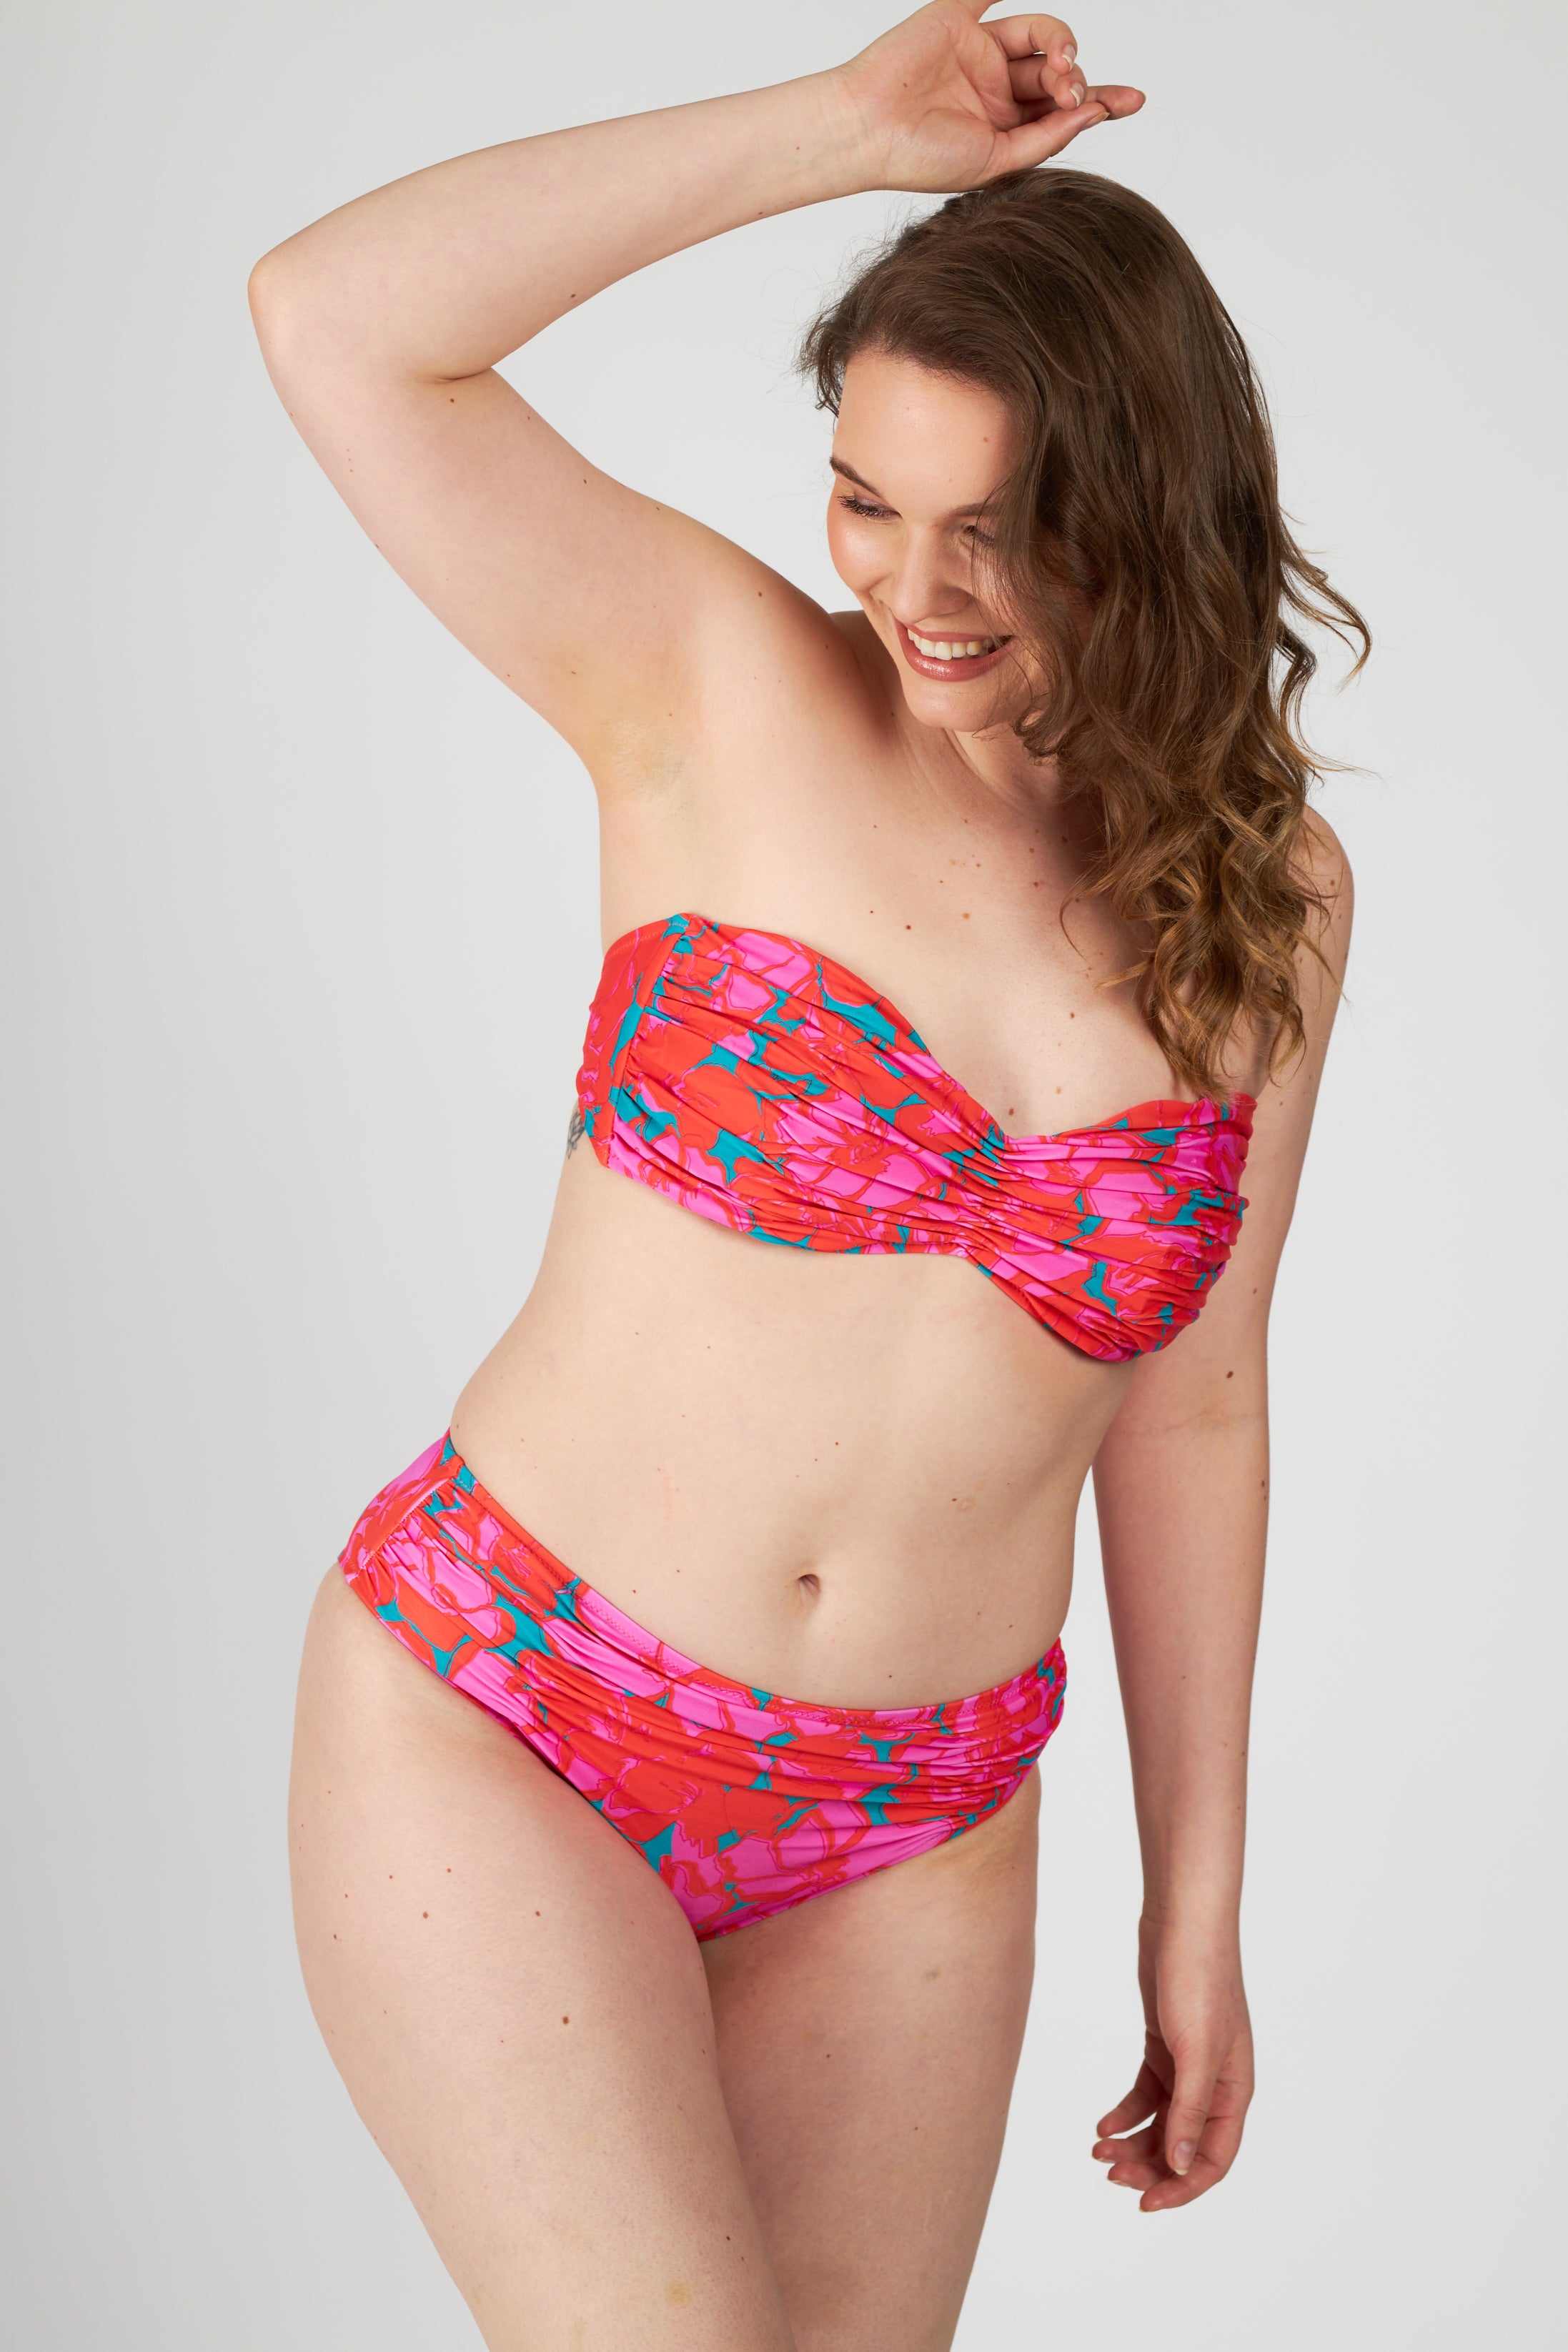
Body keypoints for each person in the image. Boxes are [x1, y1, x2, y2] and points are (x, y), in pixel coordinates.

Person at [251, 6, 1364, 2344]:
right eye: (865, 497)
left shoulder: (1267, 901)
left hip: (917, 1826)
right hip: (509, 1714)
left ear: (1149, 511)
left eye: (996, 528)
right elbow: (337, 314)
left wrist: (1196, 1904)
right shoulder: (710, 682)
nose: (914, 584)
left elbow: (1194, 1404)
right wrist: (842, 133)